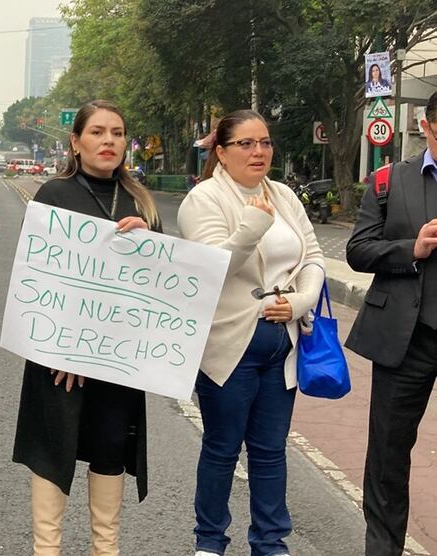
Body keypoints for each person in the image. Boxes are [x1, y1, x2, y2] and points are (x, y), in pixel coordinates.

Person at [12, 100, 160, 556]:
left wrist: (151, 244)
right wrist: (64, 350)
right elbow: (36, 281)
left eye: (117, 133)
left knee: (111, 449)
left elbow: (159, 289)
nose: (108, 141)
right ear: (76, 142)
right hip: (58, 359)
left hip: (118, 359)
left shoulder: (141, 201)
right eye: (97, 132)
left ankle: (106, 549)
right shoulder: (52, 196)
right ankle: (47, 549)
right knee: (53, 450)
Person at [178, 110, 325, 556]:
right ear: (221, 152)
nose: (258, 151)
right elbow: (211, 269)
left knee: (270, 451)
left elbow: (314, 255)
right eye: (245, 143)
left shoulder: (282, 195)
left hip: (283, 346)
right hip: (229, 346)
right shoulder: (202, 200)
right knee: (222, 449)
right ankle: (209, 542)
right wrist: (251, 227)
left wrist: (300, 302)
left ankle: (270, 541)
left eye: (264, 142)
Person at [346, 90, 437, 555]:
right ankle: (382, 548)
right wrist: (412, 249)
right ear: (427, 126)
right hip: (408, 336)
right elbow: (358, 249)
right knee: (388, 452)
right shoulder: (389, 180)